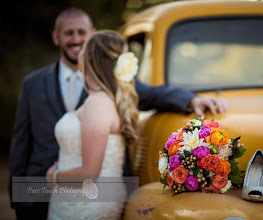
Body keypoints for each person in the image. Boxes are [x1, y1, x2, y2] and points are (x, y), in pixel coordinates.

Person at [8, 7, 228, 220]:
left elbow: (154, 93)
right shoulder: (33, 84)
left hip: (85, 198)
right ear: (57, 37)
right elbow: (21, 142)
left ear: (91, 38)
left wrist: (192, 99)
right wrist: (17, 196)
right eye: (69, 33)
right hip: (38, 194)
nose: (76, 40)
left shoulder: (109, 94)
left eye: (81, 34)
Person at [45, 29, 138, 219]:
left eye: (84, 47)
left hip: (84, 206)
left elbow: (89, 173)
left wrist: (53, 178)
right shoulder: (101, 100)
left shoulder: (98, 104)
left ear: (91, 58)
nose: (79, 51)